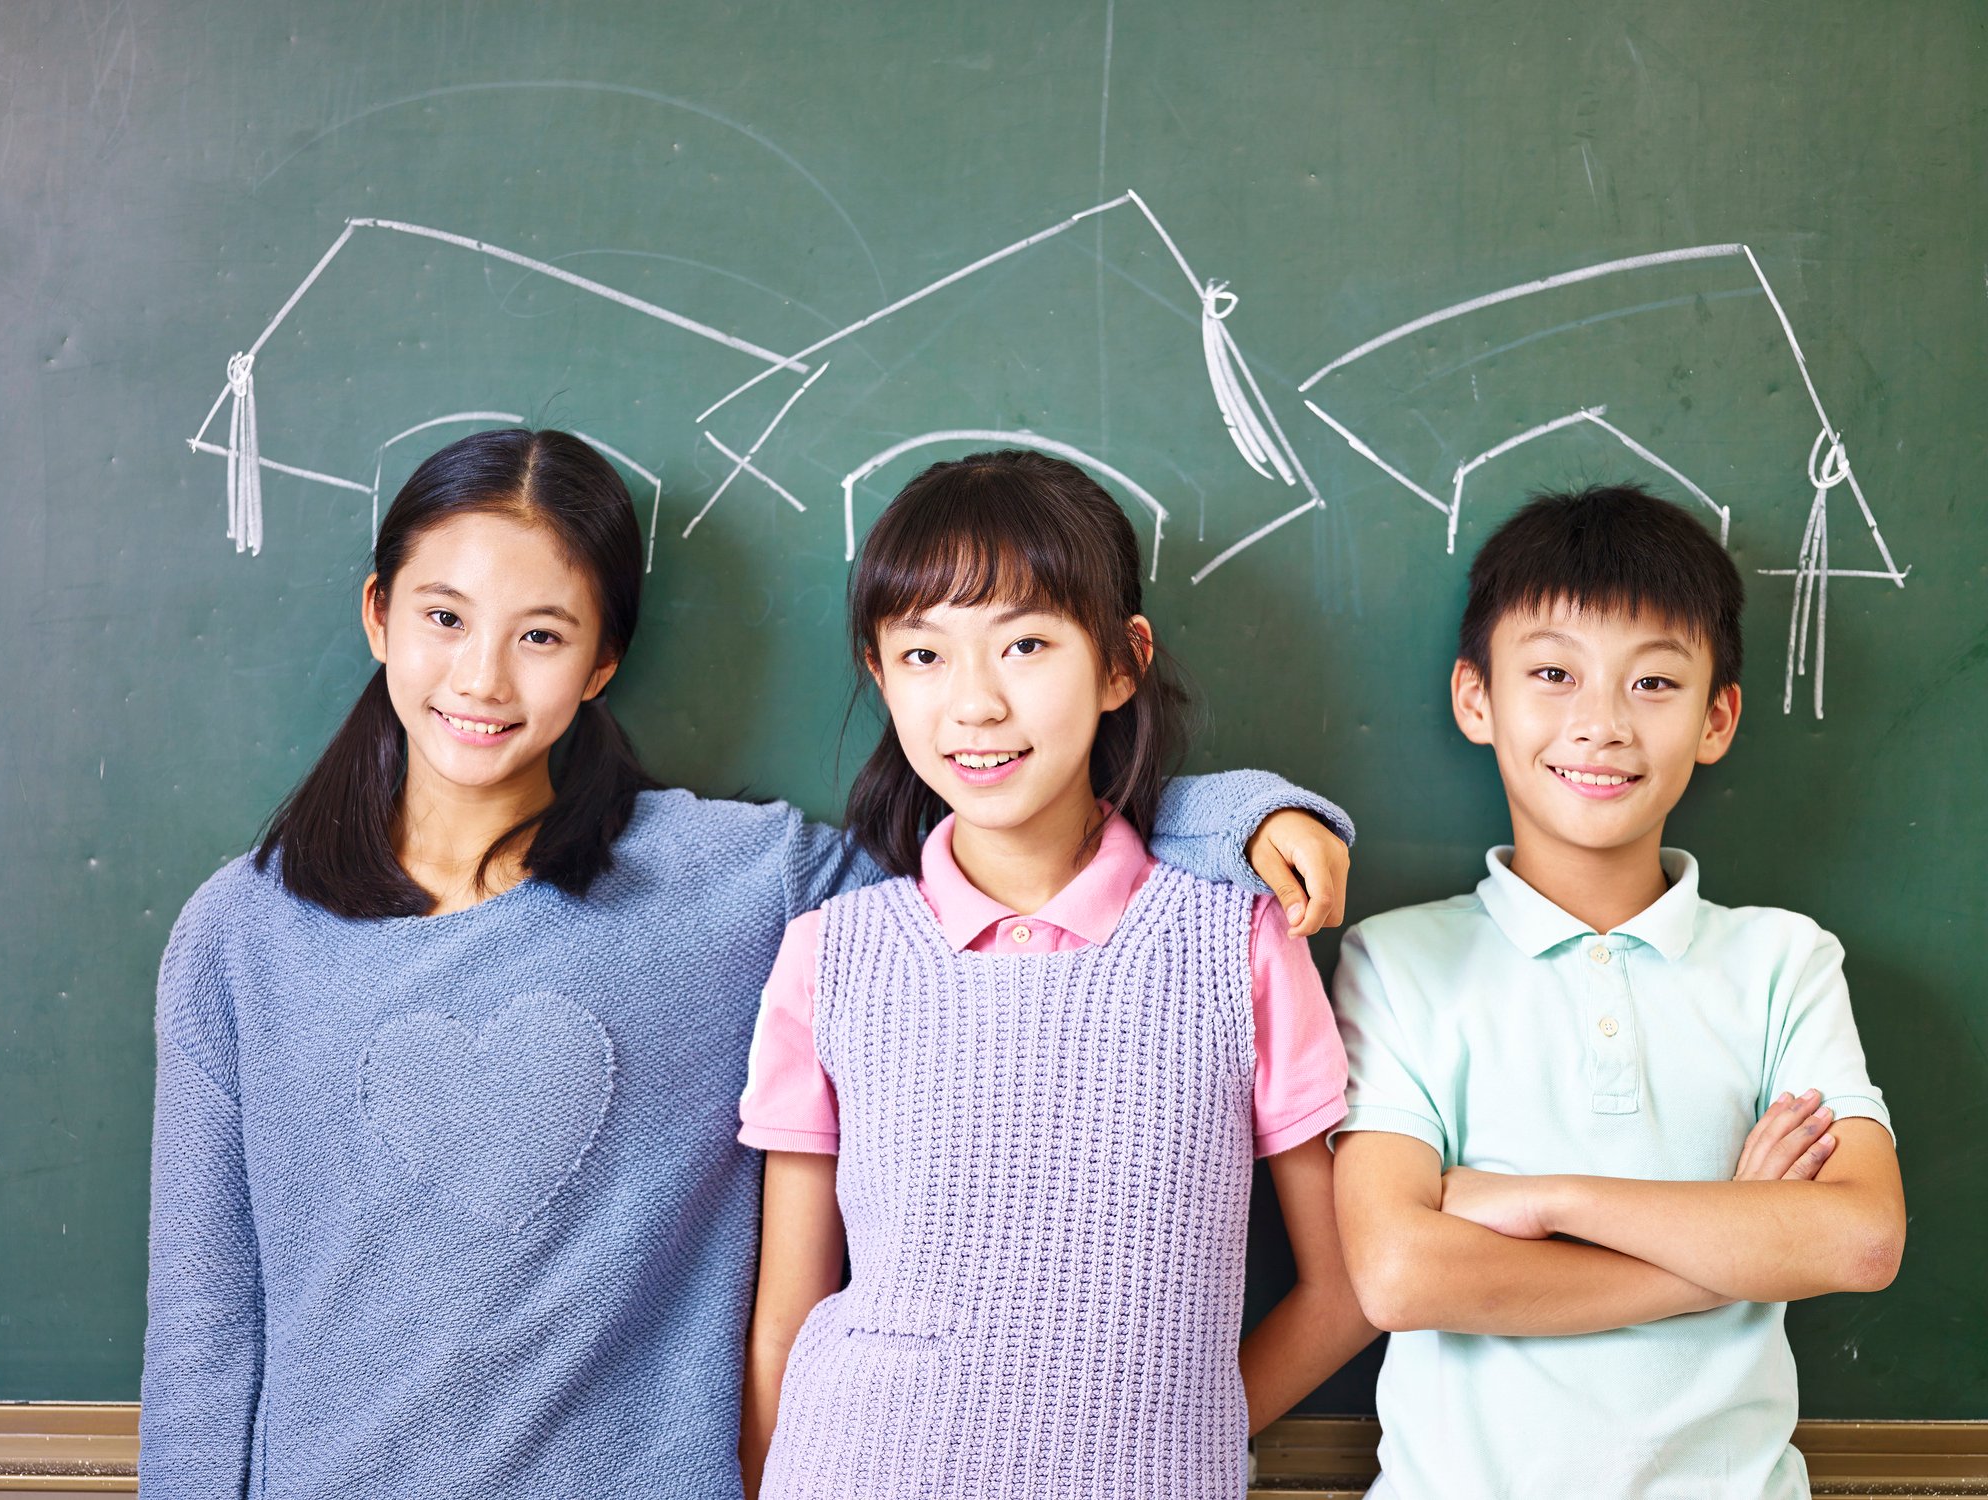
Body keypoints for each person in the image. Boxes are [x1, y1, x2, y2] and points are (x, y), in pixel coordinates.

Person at [139, 429, 1358, 1500]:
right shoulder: (240, 935)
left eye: (542, 634)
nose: (480, 677)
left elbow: (1018, 848)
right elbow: (202, 1325)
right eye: (442, 617)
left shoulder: (733, 883)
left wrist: (1239, 820)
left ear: (603, 660)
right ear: (378, 616)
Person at [740, 449, 1377, 1500]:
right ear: (879, 674)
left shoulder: (1236, 942)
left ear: (1121, 663)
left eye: (1025, 644)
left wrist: (1178, 1434)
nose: (974, 704)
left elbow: (1345, 1286)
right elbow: (785, 1314)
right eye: (923, 656)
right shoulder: (833, 953)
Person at [1329, 484, 1906, 1499]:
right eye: (1551, 673)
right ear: (1476, 698)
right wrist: (1735, 1238)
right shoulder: (1396, 961)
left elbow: (1856, 1241)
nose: (1596, 724)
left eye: (1651, 685)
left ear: (1715, 717)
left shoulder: (1781, 964)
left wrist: (1540, 1201)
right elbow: (1398, 1275)